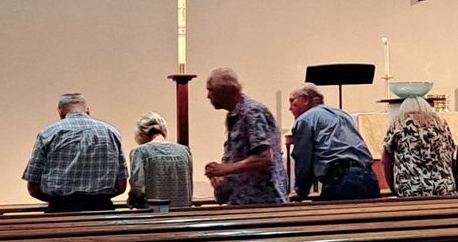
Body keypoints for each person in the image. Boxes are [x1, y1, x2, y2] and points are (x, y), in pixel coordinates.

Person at [22, 92, 126, 212]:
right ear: (88, 111)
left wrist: (55, 200)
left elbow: (33, 187)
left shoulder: (48, 133)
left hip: (60, 210)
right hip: (102, 209)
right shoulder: (111, 132)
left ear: (60, 112)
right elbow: (121, 185)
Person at [203, 68, 288, 206]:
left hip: (262, 204)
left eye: (211, 90)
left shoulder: (252, 113)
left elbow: (264, 158)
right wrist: (222, 179)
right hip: (244, 202)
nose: (208, 96)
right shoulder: (236, 115)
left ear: (225, 91)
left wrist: (226, 169)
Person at [287, 83, 380, 201]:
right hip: (369, 178)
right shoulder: (342, 114)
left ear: (305, 99)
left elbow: (303, 159)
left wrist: (301, 191)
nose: (290, 108)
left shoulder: (305, 119)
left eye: (292, 101)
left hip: (343, 182)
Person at [382, 94, 457, 198]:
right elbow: (451, 153)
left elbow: (386, 160)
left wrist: (393, 187)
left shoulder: (399, 124)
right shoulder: (441, 125)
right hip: (443, 187)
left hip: (411, 189)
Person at [126, 112, 192, 209]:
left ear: (141, 134)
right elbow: (188, 187)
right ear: (164, 130)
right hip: (182, 213)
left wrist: (132, 204)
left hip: (153, 215)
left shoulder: (140, 152)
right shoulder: (184, 151)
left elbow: (137, 187)